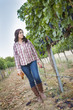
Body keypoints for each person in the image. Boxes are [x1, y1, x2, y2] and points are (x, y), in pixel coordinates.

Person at [13, 29, 46, 103]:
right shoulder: (15, 45)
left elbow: (34, 51)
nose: (22, 34)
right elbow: (16, 57)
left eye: (22, 32)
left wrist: (38, 61)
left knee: (36, 77)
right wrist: (18, 69)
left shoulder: (28, 41)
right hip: (24, 65)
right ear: (17, 35)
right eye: (20, 33)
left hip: (32, 61)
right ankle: (38, 96)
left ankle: (41, 92)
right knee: (31, 80)